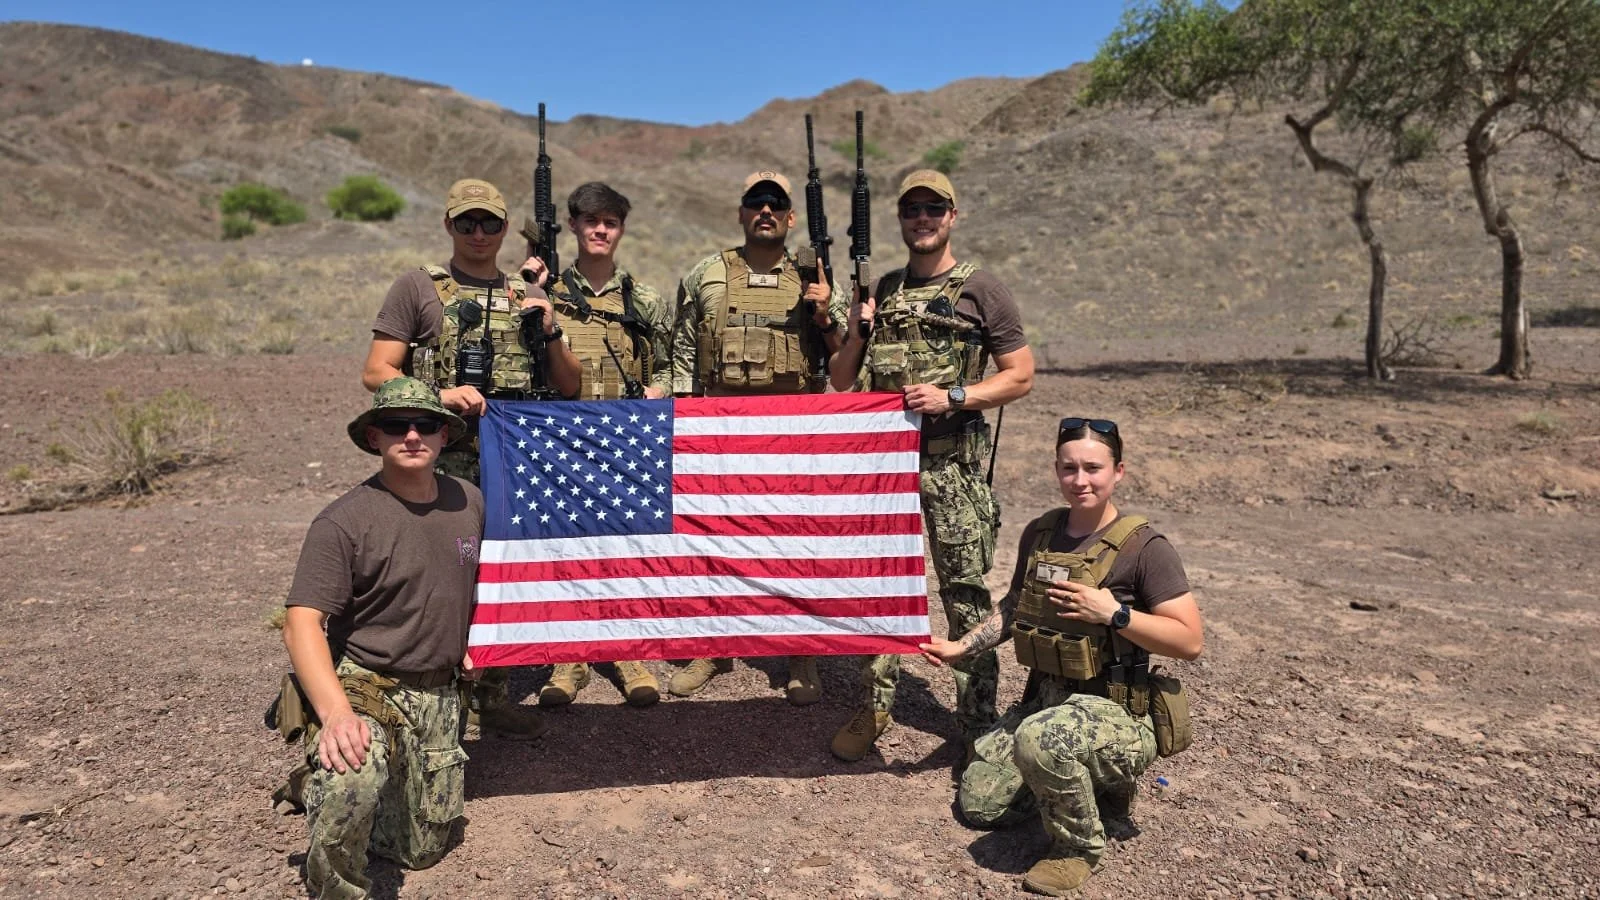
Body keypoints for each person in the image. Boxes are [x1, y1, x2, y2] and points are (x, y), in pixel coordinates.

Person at [921, 417, 1204, 896]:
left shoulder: (1145, 548)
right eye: (1069, 468)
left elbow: (1189, 641)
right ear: (1057, 470)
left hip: (1120, 713)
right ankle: (1078, 782)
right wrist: (960, 646)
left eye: (1094, 468)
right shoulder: (1043, 531)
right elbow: (1015, 607)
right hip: (1047, 702)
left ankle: (1077, 849)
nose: (1081, 480)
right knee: (981, 804)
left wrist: (1114, 613)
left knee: (1040, 742)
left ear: (1119, 472)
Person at [826, 169, 1035, 764]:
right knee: (881, 591)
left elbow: (1020, 374)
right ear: (901, 219)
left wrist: (956, 397)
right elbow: (842, 380)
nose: (923, 218)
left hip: (952, 469)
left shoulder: (981, 289)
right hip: (884, 472)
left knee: (964, 593)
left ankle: (976, 720)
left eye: (934, 209)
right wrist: (858, 332)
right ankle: (874, 707)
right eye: (912, 209)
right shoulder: (884, 290)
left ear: (952, 216)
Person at [361, 178, 581, 740]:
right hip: (438, 461)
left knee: (498, 577)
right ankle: (430, 696)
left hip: (509, 464)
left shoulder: (524, 294)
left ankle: (491, 694)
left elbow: (570, 386)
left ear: (506, 229)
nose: (478, 234)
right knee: (437, 576)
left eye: (489, 223)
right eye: (466, 223)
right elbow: (377, 371)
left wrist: (549, 325)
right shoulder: (418, 287)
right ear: (449, 226)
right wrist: (441, 397)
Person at [281, 377, 486, 899]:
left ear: (445, 437)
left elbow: (488, 581)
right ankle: (335, 883)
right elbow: (302, 622)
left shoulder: (470, 501)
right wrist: (335, 713)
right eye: (397, 425)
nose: (412, 436)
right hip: (367, 685)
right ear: (374, 437)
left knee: (423, 851)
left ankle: (332, 790)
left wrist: (478, 638)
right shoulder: (344, 522)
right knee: (352, 773)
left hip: (440, 691)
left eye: (427, 425)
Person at [667, 170, 847, 704]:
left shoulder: (814, 277)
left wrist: (825, 310)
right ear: (742, 213)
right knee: (718, 539)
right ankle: (714, 646)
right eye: (755, 202)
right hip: (721, 429)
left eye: (776, 203)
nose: (765, 210)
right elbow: (681, 352)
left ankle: (801, 652)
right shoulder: (706, 274)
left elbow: (841, 364)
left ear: (791, 217)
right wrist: (683, 421)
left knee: (794, 541)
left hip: (793, 432)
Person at [519, 181, 672, 708]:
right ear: (574, 227)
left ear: (621, 229)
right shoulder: (549, 292)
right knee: (568, 546)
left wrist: (659, 389)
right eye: (590, 221)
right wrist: (532, 291)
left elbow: (674, 362)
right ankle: (570, 657)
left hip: (625, 440)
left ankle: (628, 652)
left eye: (609, 221)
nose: (600, 229)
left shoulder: (643, 298)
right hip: (562, 440)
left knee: (622, 545)